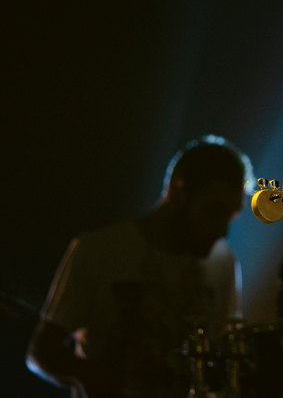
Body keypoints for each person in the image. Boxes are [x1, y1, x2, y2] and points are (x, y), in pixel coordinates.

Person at [27, 135, 252, 398]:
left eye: (230, 216)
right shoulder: (97, 251)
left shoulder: (223, 262)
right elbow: (41, 351)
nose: (223, 231)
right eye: (213, 212)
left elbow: (228, 355)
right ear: (178, 192)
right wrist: (89, 375)